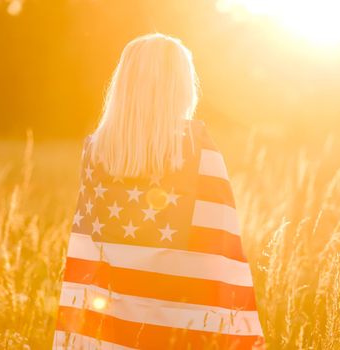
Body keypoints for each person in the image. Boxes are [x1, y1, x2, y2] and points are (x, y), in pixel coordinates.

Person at [52, 33, 265, 349]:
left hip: (111, 324)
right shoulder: (197, 148)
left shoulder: (96, 151)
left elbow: (88, 247)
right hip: (179, 323)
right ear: (179, 87)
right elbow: (220, 250)